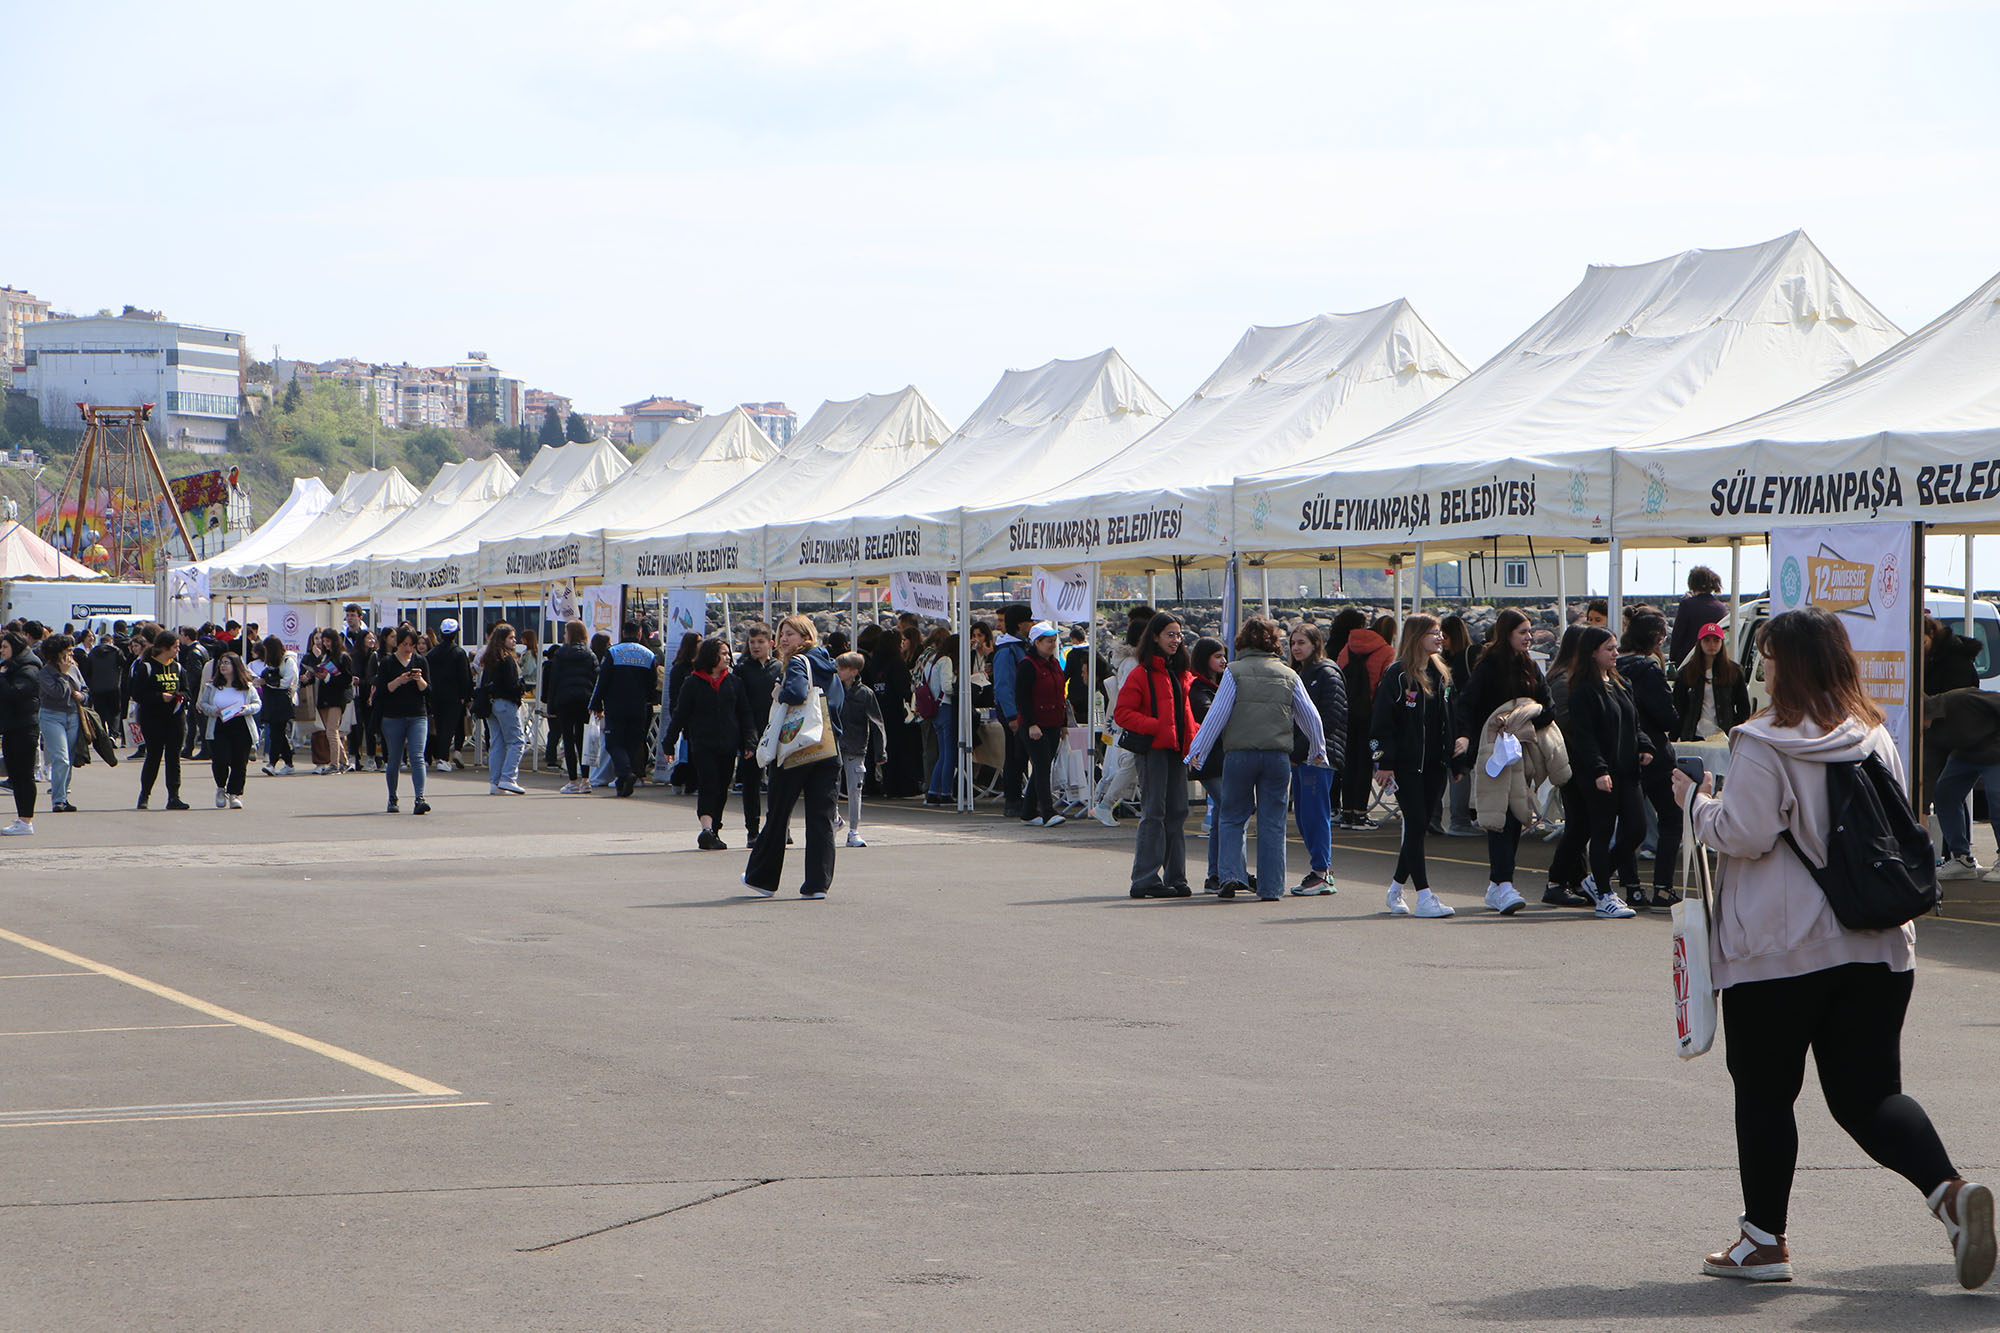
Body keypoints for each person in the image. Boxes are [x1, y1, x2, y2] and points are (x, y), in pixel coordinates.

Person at [1672, 607, 1994, 1289]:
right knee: (1870, 1095)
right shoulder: (1873, 733)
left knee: (1765, 1090)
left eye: (1766, 656)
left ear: (1781, 664)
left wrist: (1695, 805)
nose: (1761, 667)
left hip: (1781, 947)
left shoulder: (1764, 741)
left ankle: (1763, 1240)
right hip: (1877, 941)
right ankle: (1950, 1192)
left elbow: (1747, 831)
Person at [1189, 616, 1326, 902]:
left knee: (1232, 816)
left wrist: (1196, 751)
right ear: (1274, 642)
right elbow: (1310, 716)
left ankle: (1230, 876)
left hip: (1239, 755)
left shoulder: (1234, 671)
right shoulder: (1288, 674)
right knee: (1273, 822)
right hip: (1277, 756)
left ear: (1241, 641)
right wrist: (1317, 749)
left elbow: (1217, 716)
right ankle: (1271, 887)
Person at [1451, 608, 1553, 915]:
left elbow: (1547, 707)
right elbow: (1467, 705)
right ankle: (1503, 884)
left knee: (1518, 815)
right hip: (1494, 751)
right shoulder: (1489, 666)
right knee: (1501, 816)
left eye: (1530, 631)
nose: (1529, 636)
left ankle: (1498, 885)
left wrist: (1525, 718)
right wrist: (1466, 741)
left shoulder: (1531, 667)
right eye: (1522, 631)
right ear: (1506, 633)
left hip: (1522, 753)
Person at [744, 615, 843, 899]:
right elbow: (837, 703)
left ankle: (762, 878)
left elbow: (798, 693)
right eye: (782, 634)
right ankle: (817, 884)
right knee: (821, 816)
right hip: (826, 745)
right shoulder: (829, 664)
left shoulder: (799, 662)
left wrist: (780, 691)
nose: (784, 639)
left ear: (805, 637)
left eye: (791, 634)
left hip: (796, 747)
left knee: (778, 813)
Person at [1370, 615, 1456, 918]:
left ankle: (1395, 890)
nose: (1440, 637)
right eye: (1434, 633)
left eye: (1440, 632)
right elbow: (1380, 724)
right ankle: (1424, 895)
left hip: (1434, 764)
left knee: (1419, 827)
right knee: (1416, 822)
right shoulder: (1397, 675)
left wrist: (1454, 757)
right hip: (1406, 766)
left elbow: (1447, 719)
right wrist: (1383, 762)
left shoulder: (1441, 674)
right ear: (1416, 636)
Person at [1563, 626, 1644, 919]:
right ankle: (1604, 894)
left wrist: (1644, 746)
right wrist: (1599, 769)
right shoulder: (1583, 691)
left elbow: (1634, 723)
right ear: (1592, 653)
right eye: (1609, 649)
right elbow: (1584, 736)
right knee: (1602, 830)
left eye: (1616, 648)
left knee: (1637, 828)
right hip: (1599, 773)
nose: (1615, 653)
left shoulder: (1622, 685)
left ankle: (1596, 879)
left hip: (1628, 770)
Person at [1116, 612, 1196, 899]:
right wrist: (1157, 727)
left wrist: (1194, 739)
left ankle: (1176, 877)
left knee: (1177, 812)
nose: (1176, 640)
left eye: (1178, 635)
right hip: (1153, 751)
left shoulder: (1181, 673)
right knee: (1155, 813)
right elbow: (1122, 714)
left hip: (1176, 752)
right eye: (1170, 635)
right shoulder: (1142, 673)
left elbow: (1185, 715)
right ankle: (1146, 878)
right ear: (1154, 637)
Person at [1618, 611, 1683, 910]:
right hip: (1655, 752)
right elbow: (1666, 717)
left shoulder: (1613, 667)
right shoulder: (1649, 669)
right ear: (1656, 639)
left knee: (1630, 824)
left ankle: (1631, 887)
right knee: (1671, 818)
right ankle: (1662, 887)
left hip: (1622, 751)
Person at [664, 636, 752, 849]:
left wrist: (749, 741)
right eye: (722, 653)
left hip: (728, 743)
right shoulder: (692, 682)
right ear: (710, 655)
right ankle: (706, 828)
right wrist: (669, 742)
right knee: (708, 784)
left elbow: (744, 713)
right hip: (703, 743)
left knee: (722, 787)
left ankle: (715, 829)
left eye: (728, 653)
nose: (727, 657)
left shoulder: (734, 682)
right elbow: (680, 714)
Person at [1286, 622, 1346, 896]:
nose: (1296, 648)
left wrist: (1298, 751)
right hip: (1302, 755)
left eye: (1301, 642)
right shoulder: (1299, 673)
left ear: (1315, 644)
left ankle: (1322, 873)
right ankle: (1321, 870)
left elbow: (1330, 718)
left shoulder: (1326, 672)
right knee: (1303, 816)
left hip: (1319, 756)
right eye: (1293, 643)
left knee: (1314, 814)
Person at [1540, 626, 1598, 908]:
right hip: (1573, 760)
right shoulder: (1564, 681)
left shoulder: (1566, 677)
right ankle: (1557, 881)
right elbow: (1567, 723)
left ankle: (1575, 880)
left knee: (1580, 823)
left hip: (1574, 759)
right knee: (1579, 824)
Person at [590, 621, 660, 799]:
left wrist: (596, 704)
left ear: (622, 632)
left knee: (614, 743)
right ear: (638, 633)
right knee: (632, 743)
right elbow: (653, 683)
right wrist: (647, 699)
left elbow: (603, 680)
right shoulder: (649, 655)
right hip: (639, 706)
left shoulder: (614, 652)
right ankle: (622, 784)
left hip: (616, 705)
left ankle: (625, 774)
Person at [1336, 610, 1393, 829]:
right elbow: (1385, 684)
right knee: (1364, 762)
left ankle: (1347, 812)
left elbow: (1339, 673)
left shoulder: (1347, 647)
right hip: (1371, 714)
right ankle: (1360, 813)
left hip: (1347, 712)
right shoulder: (1386, 651)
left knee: (1348, 762)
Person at [1013, 622, 1070, 827]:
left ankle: (1028, 811)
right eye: (1048, 641)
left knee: (1042, 766)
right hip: (1035, 724)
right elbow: (1022, 697)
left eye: (1054, 640)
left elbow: (1060, 695)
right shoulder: (1028, 665)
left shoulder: (1054, 664)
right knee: (1042, 766)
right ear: (1036, 642)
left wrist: (1063, 723)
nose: (1052, 644)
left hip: (1053, 722)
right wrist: (1031, 724)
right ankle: (1047, 811)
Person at [131, 629, 192, 811]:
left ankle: (174, 796)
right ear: (164, 648)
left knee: (174, 757)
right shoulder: (147, 667)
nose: (177, 650)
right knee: (154, 756)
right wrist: (159, 697)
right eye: (175, 647)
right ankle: (145, 794)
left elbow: (187, 691)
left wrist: (180, 697)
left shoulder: (178, 668)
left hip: (175, 718)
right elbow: (137, 693)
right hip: (153, 719)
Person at [374, 626, 432, 815]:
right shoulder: (387, 663)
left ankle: (420, 798)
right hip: (393, 716)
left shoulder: (420, 661)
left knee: (417, 757)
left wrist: (419, 680)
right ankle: (393, 797)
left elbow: (428, 690)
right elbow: (383, 690)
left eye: (411, 645)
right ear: (397, 644)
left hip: (417, 714)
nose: (408, 649)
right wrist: (399, 680)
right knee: (394, 759)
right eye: (404, 644)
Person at [833, 650, 887, 846]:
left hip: (856, 746)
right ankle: (835, 819)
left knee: (855, 789)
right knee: (830, 787)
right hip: (835, 744)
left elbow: (877, 723)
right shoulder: (833, 689)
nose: (837, 670)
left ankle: (854, 830)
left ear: (854, 671)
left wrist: (880, 751)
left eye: (842, 668)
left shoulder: (865, 694)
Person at [731, 624, 780, 834]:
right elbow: (740, 704)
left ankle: (779, 826)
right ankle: (752, 829)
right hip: (751, 732)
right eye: (752, 642)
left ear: (770, 643)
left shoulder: (779, 667)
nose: (756, 646)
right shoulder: (742, 669)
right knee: (751, 783)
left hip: (776, 730)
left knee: (779, 783)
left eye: (760, 642)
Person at [199, 651, 261, 809]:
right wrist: (215, 711)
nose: (223, 666)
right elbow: (203, 704)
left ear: (235, 666)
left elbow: (257, 704)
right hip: (219, 726)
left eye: (227, 663)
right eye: (221, 663)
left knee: (240, 762)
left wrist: (245, 709)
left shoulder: (246, 687)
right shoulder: (212, 686)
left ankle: (235, 794)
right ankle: (221, 788)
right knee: (220, 759)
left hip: (241, 726)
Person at [1439, 614, 1482, 837]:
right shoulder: (1470, 655)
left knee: (1456, 766)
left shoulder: (1446, 661)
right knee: (1460, 766)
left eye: (1444, 636)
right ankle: (1460, 819)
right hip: (1463, 717)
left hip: (1453, 715)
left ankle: (1455, 818)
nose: (1441, 641)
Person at [990, 603, 1033, 817]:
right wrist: (1011, 716)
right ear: (1020, 624)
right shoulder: (1008, 650)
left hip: (1018, 710)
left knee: (1019, 756)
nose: (1032, 625)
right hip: (1014, 712)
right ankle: (1013, 800)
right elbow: (1003, 686)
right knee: (1015, 757)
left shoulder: (1014, 647)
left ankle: (1017, 798)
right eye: (1029, 621)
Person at [1674, 622, 1752, 741]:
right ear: (1700, 643)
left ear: (1722, 643)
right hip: (1694, 735)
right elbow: (1679, 707)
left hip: (1724, 735)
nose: (1712, 645)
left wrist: (1736, 730)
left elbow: (1743, 707)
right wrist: (1674, 737)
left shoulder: (1734, 671)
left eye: (1716, 640)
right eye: (1707, 640)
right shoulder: (1687, 672)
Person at [545, 621, 598, 794]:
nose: (563, 636)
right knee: (583, 740)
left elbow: (555, 681)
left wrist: (551, 706)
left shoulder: (561, 654)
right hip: (585, 699)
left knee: (568, 739)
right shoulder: (590, 654)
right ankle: (586, 779)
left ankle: (573, 780)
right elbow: (596, 677)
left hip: (565, 700)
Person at [36, 633, 86, 815]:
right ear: (56, 653)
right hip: (51, 716)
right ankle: (57, 800)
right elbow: (58, 693)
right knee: (61, 758)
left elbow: (85, 688)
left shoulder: (75, 669)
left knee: (69, 760)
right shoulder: (45, 672)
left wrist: (83, 696)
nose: (70, 655)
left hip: (73, 715)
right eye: (67, 651)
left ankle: (63, 797)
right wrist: (64, 675)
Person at [0, 631, 42, 835]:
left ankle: (26, 820)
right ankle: (21, 818)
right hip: (11, 727)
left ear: (15, 648)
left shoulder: (29, 668)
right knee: (15, 776)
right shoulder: (12, 668)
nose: (1, 651)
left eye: (5, 647)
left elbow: (16, 694)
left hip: (24, 728)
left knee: (24, 775)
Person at [479, 622, 527, 795]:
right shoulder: (507, 659)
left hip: (491, 704)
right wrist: (522, 688)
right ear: (503, 640)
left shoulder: (490, 658)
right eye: (511, 638)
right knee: (517, 741)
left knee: (497, 742)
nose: (514, 641)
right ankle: (508, 778)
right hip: (506, 703)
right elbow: (512, 685)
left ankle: (495, 781)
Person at [302, 627, 354, 774]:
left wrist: (329, 677)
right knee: (331, 731)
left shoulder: (343, 657)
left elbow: (347, 679)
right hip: (324, 697)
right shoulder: (325, 656)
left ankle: (334, 764)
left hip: (337, 698)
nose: (325, 644)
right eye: (323, 641)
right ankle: (344, 761)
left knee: (332, 730)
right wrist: (312, 674)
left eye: (328, 641)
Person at [427, 618, 474, 771]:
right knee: (450, 726)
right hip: (454, 696)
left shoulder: (432, 653)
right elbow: (465, 676)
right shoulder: (459, 653)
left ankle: (441, 757)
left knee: (440, 727)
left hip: (436, 695)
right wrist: (466, 696)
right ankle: (444, 757)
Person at [922, 632, 959, 806]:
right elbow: (947, 687)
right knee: (949, 752)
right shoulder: (946, 661)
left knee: (942, 753)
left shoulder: (931, 661)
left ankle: (933, 791)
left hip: (934, 710)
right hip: (945, 706)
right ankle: (946, 792)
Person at [256, 636, 299, 776]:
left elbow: (288, 681)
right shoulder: (272, 663)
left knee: (276, 732)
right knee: (278, 733)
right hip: (271, 700)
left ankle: (272, 763)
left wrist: (269, 682)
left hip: (282, 700)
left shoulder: (288, 660)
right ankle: (288, 762)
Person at [1669, 565, 1729, 663]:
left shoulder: (1687, 605)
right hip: (1714, 660)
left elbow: (1678, 635)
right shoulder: (1721, 607)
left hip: (1689, 661)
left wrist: (1673, 660)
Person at [1923, 614, 1982, 695]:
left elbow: (1955, 700)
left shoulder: (1956, 660)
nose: (1920, 650)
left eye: (1923, 643)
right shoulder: (1935, 658)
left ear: (1931, 633)